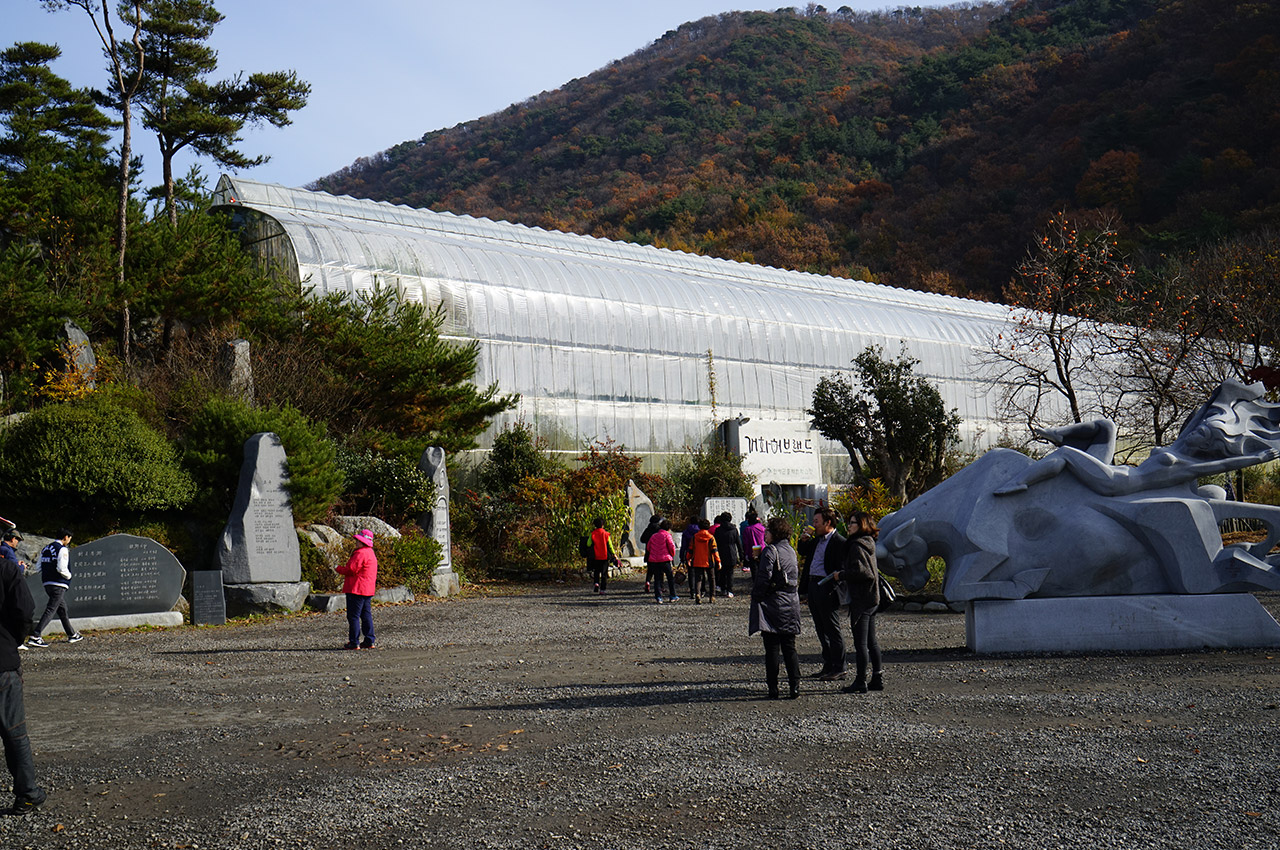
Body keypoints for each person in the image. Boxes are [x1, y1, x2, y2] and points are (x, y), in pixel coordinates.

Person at [0, 529, 44, 813]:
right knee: (14, 734)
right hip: (2, 662)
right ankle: (27, 793)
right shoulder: (6, 568)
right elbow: (26, 610)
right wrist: (13, 640)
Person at [748, 515, 801, 699]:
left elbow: (764, 578)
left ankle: (773, 687)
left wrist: (756, 596)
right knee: (789, 646)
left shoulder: (770, 551)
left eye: (767, 531)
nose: (765, 534)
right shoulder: (791, 550)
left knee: (771, 647)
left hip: (773, 603)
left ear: (774, 533)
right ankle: (795, 685)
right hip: (791, 601)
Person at [831, 511, 884, 693]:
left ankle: (861, 681)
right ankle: (877, 677)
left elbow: (864, 573)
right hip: (873, 598)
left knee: (861, 643)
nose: (849, 525)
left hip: (862, 599)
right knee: (871, 641)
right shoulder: (869, 542)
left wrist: (841, 575)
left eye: (853, 523)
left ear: (861, 525)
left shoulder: (856, 545)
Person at [798, 507, 845, 681]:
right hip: (813, 584)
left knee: (832, 628)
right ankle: (828, 664)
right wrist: (803, 540)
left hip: (828, 586)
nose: (814, 524)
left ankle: (839, 666)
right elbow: (803, 552)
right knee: (820, 627)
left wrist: (834, 583)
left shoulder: (839, 541)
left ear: (828, 523)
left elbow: (842, 567)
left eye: (817, 521)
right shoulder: (816, 540)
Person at [26, 529, 81, 648]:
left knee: (62, 609)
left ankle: (72, 634)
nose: (69, 541)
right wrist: (69, 576)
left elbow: (38, 567)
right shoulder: (62, 549)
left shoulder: (46, 549)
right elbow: (62, 568)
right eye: (70, 538)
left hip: (47, 583)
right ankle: (36, 635)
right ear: (66, 537)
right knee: (51, 609)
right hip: (59, 583)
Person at [337, 529, 378, 650]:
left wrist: (338, 569)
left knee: (353, 616)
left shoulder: (360, 553)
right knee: (366, 615)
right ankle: (369, 640)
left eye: (358, 540)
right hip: (368, 589)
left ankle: (354, 642)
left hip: (356, 588)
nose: (356, 542)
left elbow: (351, 570)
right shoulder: (371, 553)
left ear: (362, 541)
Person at [645, 518, 678, 604]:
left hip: (655, 560)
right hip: (665, 560)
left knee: (657, 579)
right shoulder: (667, 536)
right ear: (669, 528)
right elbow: (671, 547)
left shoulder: (653, 536)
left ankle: (658, 597)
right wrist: (672, 555)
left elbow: (648, 547)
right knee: (670, 578)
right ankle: (673, 596)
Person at [688, 518, 719, 604]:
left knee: (698, 578)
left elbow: (690, 549)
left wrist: (688, 558)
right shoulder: (711, 537)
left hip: (697, 560)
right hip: (709, 561)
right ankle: (712, 596)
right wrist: (718, 561)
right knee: (712, 579)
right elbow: (714, 550)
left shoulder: (695, 537)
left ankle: (698, 594)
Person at [712, 512, 743, 598]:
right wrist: (741, 555)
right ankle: (730, 590)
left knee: (722, 572)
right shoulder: (734, 530)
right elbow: (738, 543)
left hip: (721, 553)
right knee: (730, 573)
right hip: (731, 552)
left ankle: (723, 588)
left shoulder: (718, 530)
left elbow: (715, 544)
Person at [586, 517, 619, 594]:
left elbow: (588, 544)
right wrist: (614, 554)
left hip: (596, 556)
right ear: (603, 525)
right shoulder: (606, 534)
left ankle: (596, 583)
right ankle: (602, 589)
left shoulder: (593, 534)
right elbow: (610, 545)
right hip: (604, 556)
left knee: (596, 571)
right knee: (604, 573)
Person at [639, 514, 662, 595]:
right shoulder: (659, 530)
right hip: (659, 552)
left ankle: (648, 582)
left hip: (649, 552)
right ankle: (660, 586)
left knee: (650, 569)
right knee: (660, 570)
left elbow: (642, 539)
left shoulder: (647, 529)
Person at [740, 510, 766, 575]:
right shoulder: (762, 528)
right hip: (762, 549)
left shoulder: (747, 529)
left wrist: (745, 553)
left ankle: (755, 582)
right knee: (762, 567)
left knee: (754, 569)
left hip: (752, 550)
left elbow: (746, 543)